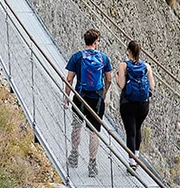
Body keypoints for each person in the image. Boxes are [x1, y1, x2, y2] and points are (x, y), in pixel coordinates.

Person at [65, 28, 112, 177]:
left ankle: (74, 156)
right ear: (96, 42)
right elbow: (109, 79)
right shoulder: (104, 58)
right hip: (96, 99)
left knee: (76, 126)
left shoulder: (77, 57)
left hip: (79, 96)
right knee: (94, 132)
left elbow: (69, 79)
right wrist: (103, 94)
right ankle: (92, 164)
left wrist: (67, 96)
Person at [116, 40, 154, 174]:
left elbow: (121, 85)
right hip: (144, 104)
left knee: (130, 132)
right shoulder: (147, 66)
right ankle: (136, 157)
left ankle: (132, 163)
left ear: (129, 51)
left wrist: (117, 77)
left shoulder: (123, 65)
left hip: (128, 103)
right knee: (138, 128)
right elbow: (152, 86)